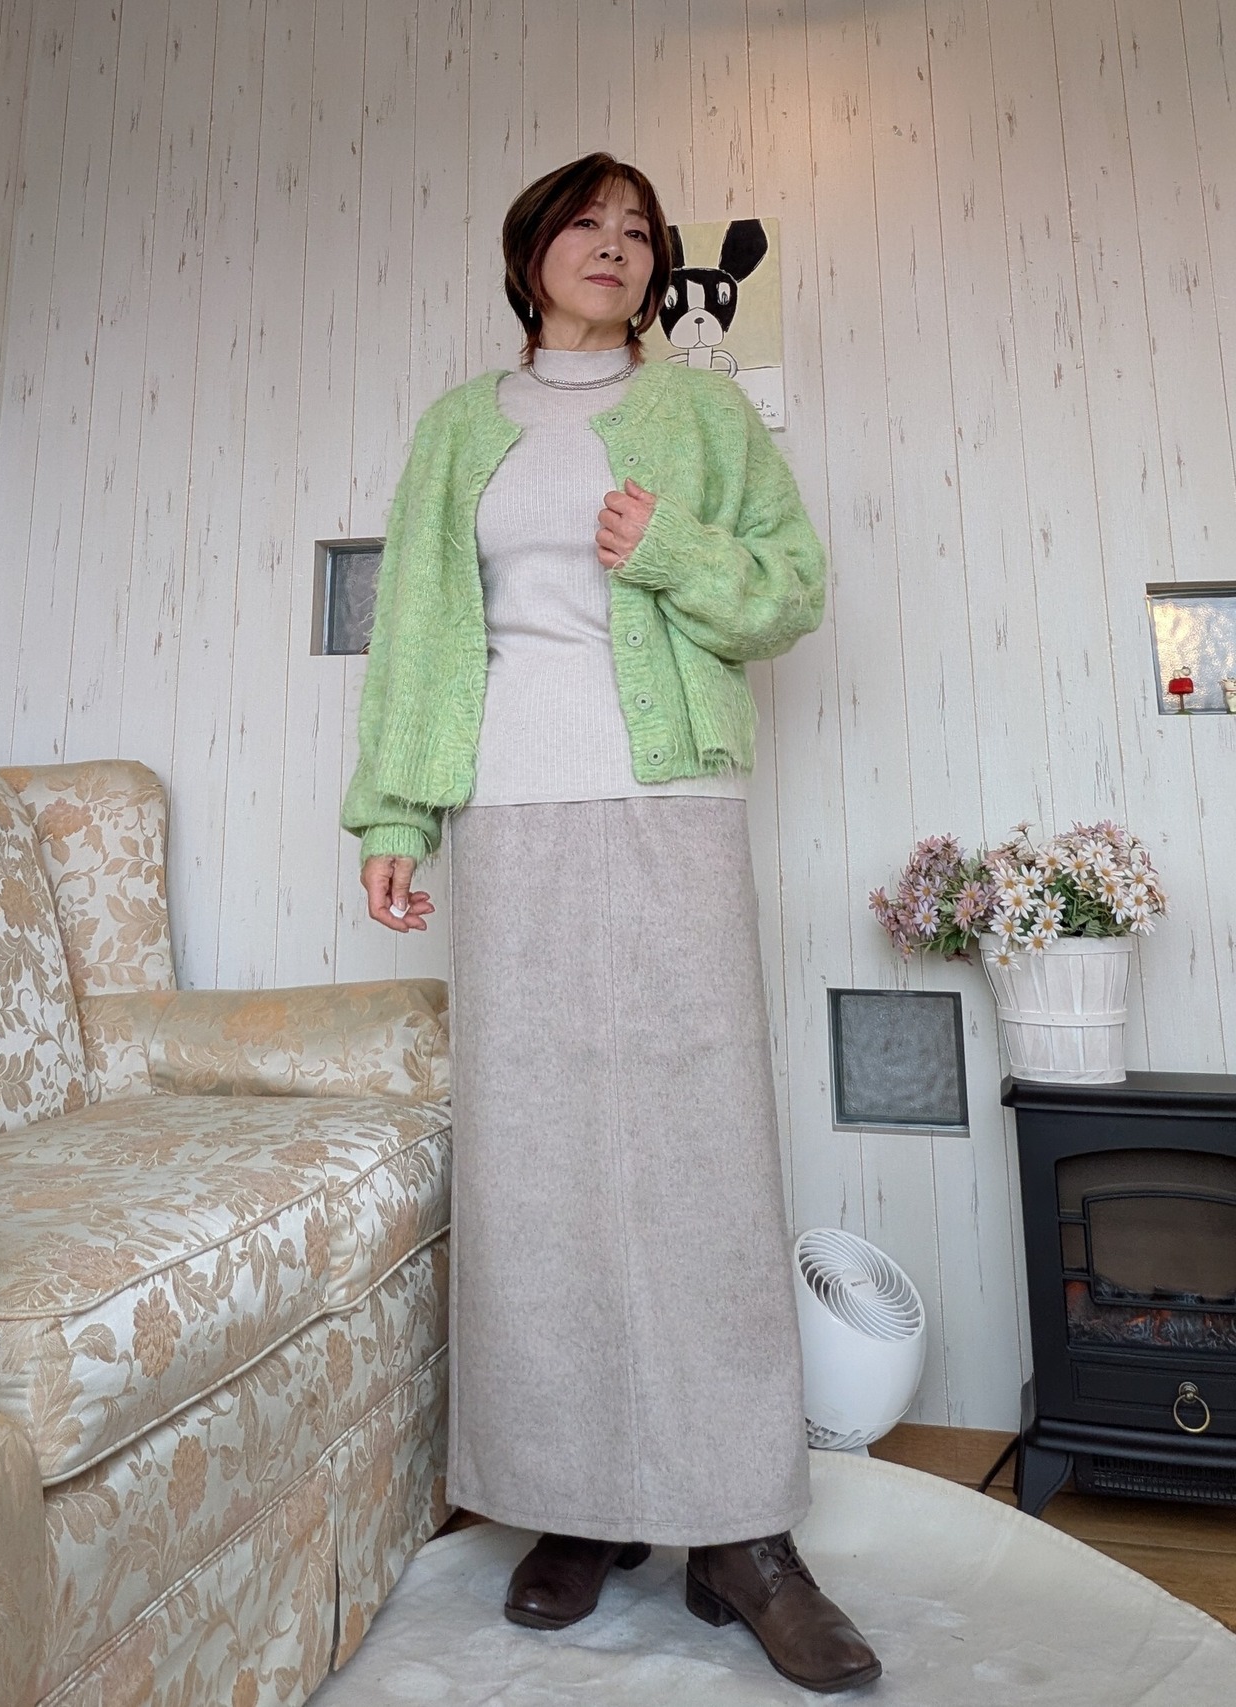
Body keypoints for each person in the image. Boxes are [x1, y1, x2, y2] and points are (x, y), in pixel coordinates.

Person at [342, 152, 880, 1695]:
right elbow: (418, 637)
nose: (617, 246)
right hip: (508, 817)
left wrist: (673, 553)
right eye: (588, 223)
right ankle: (574, 1503)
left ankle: (741, 1530)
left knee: (699, 1156)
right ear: (531, 252)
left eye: (639, 232)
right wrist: (395, 816)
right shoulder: (460, 426)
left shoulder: (704, 415)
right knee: (537, 1160)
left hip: (672, 802)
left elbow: (792, 590)